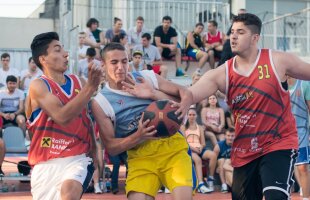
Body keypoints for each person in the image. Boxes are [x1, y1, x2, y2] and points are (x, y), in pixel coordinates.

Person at [176, 13, 310, 200]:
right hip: (244, 150)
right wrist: (154, 89)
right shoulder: (223, 73)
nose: (233, 36)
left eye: (240, 32)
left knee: (275, 196)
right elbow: (190, 94)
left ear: (255, 38)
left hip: (278, 143)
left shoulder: (277, 60)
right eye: (232, 32)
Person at [91, 42, 194, 200]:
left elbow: (184, 93)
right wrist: (139, 135)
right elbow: (111, 147)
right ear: (103, 65)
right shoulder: (101, 101)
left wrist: (152, 93)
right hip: (139, 155)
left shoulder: (146, 77)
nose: (121, 67)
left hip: (172, 147)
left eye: (125, 61)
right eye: (114, 62)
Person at [26, 32, 102, 200]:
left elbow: (86, 119)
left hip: (78, 158)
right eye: (58, 50)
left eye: (64, 50)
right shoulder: (38, 86)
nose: (66, 54)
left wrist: (94, 151)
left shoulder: (80, 82)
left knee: (68, 194)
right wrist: (90, 88)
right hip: (45, 164)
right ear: (43, 59)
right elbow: (62, 117)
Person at [180, 108, 216, 193]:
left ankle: (210, 179)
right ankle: (200, 184)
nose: (192, 116)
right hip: (189, 149)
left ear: (196, 116)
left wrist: (201, 148)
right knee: (198, 160)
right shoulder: (183, 127)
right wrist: (194, 149)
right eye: (190, 115)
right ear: (187, 116)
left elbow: (203, 142)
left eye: (193, 115)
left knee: (213, 155)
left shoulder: (199, 127)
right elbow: (184, 142)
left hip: (199, 148)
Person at [288, 77, 310, 199]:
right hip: (283, 133)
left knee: (303, 167)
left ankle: (306, 198)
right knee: (284, 167)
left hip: (301, 131)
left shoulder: (304, 85)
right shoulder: (278, 84)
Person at [213, 128, 235, 193]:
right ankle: (224, 184)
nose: (230, 138)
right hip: (221, 165)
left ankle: (234, 186)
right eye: (228, 136)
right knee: (222, 160)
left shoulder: (238, 145)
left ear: (235, 136)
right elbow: (213, 160)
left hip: (230, 165)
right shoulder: (219, 145)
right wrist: (216, 168)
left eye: (232, 136)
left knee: (227, 163)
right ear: (225, 136)